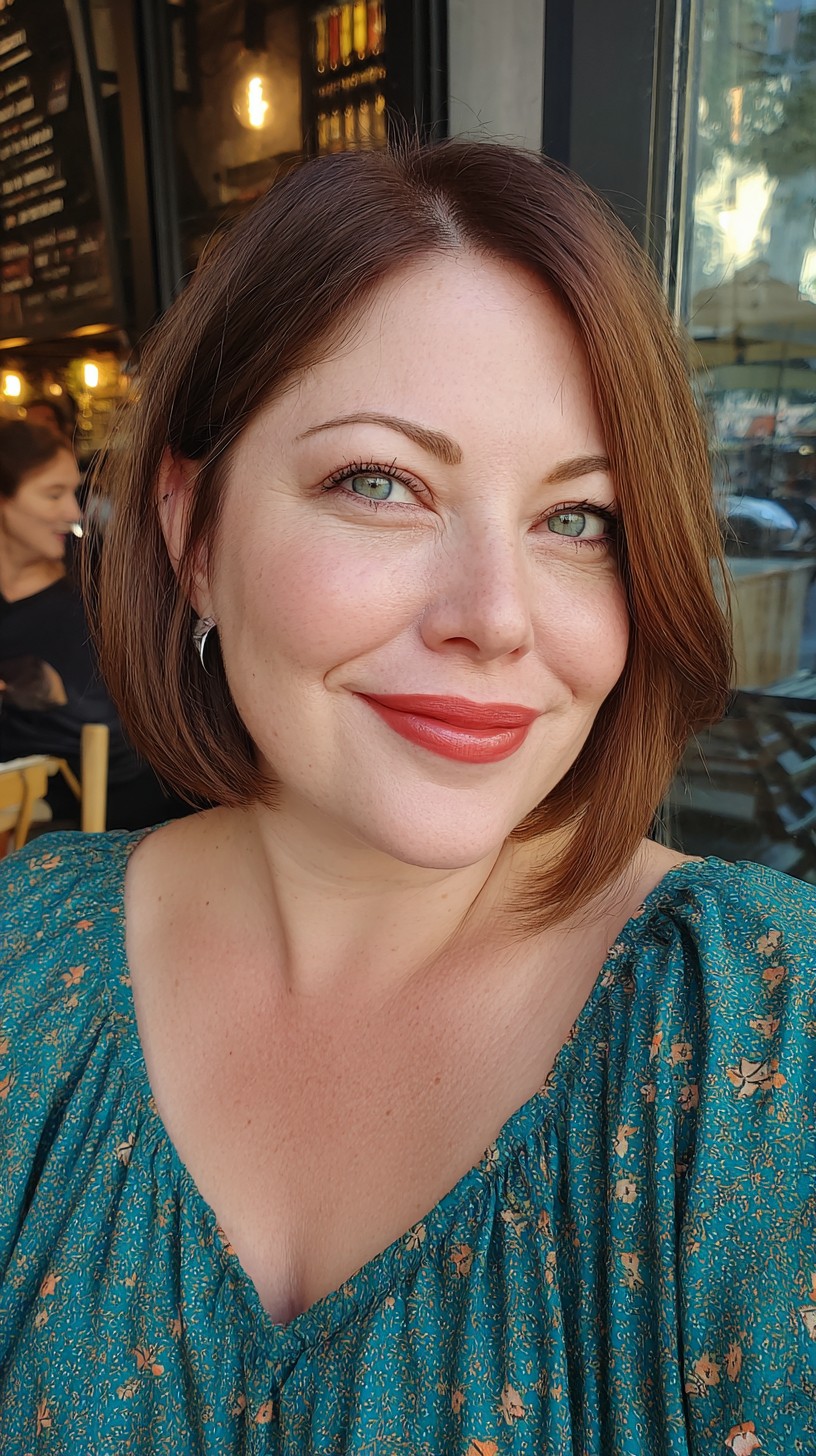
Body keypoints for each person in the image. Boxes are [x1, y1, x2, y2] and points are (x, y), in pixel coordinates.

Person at [0, 140, 813, 1454]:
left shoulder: (760, 1035)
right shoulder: (22, 966)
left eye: (578, 519)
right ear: (192, 535)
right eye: (379, 484)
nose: (495, 616)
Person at [0, 420, 191, 829]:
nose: (74, 511)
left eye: (73, 492)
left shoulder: (99, 580)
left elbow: (117, 732)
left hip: (131, 816)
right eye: (53, 494)